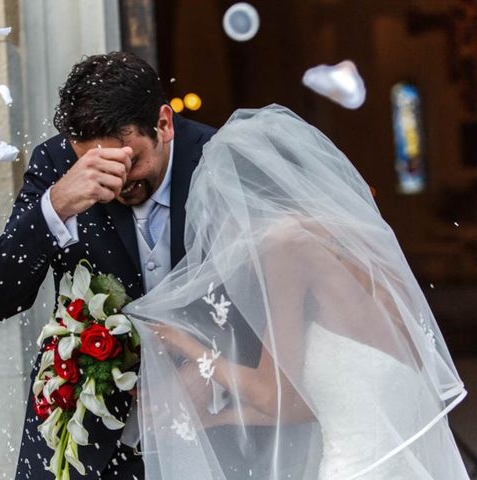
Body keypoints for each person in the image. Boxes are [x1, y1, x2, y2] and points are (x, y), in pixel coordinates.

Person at [125, 105, 469, 479]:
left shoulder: (284, 244)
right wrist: (217, 418)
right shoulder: (354, 237)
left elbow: (276, 396)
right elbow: (318, 397)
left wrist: (185, 344)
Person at [0, 51, 216, 479]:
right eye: (100, 167)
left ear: (163, 124)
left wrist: (215, 375)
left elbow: (267, 302)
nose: (119, 182)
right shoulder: (55, 166)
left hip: (208, 435)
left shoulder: (216, 159)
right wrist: (57, 205)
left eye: (130, 161)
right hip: (81, 444)